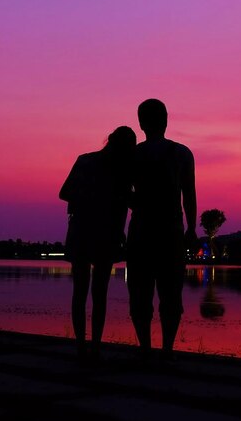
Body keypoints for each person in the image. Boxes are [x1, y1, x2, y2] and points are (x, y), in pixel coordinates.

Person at [126, 98, 196, 365]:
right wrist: (190, 228)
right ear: (166, 120)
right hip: (170, 230)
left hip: (142, 230)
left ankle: (146, 348)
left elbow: (124, 194)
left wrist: (138, 203)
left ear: (141, 123)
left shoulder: (134, 155)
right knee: (170, 292)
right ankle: (166, 349)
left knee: (140, 292)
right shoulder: (182, 153)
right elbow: (188, 194)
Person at [59, 125, 136, 363]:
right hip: (106, 235)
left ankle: (82, 346)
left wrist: (86, 198)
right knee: (99, 294)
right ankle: (94, 347)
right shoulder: (123, 173)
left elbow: (65, 193)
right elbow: (130, 203)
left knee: (80, 292)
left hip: (82, 231)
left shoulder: (85, 161)